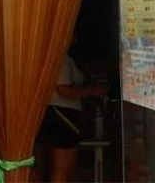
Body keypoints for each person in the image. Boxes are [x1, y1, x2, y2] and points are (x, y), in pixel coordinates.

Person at [38, 53, 105, 183]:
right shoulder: (61, 59)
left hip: (60, 114)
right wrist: (92, 90)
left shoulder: (57, 58)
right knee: (61, 168)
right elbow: (63, 90)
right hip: (62, 115)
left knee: (63, 168)